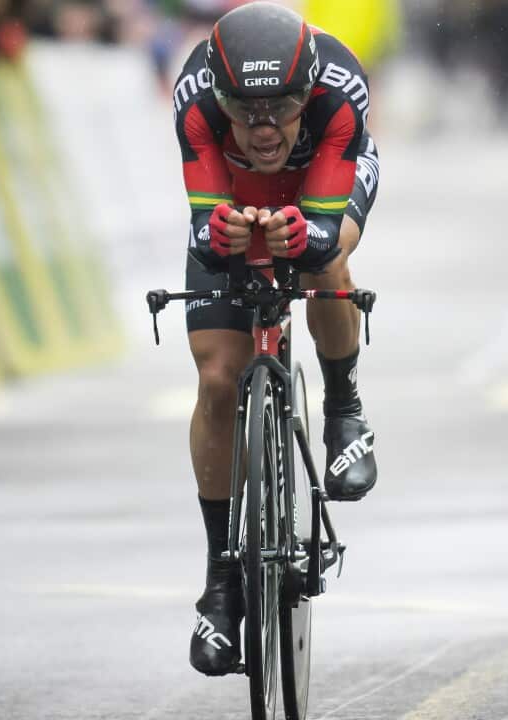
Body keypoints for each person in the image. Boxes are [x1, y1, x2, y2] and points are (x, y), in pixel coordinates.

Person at [171, 1, 379, 676]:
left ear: (308, 90)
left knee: (325, 260)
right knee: (216, 379)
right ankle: (221, 581)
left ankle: (345, 409)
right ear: (220, 94)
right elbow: (206, 222)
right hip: (234, 193)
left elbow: (323, 228)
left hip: (323, 176)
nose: (263, 127)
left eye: (283, 105)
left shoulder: (340, 88)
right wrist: (221, 234)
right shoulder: (195, 100)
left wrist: (303, 235)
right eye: (245, 109)